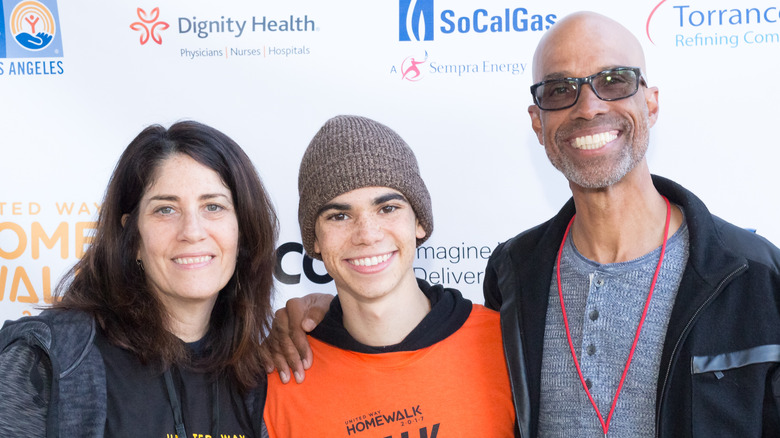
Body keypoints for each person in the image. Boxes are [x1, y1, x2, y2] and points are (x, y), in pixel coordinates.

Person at [263, 11, 780, 438]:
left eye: (613, 81)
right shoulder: (517, 274)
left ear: (651, 101)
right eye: (560, 91)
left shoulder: (752, 277)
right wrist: (329, 313)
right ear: (538, 122)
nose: (589, 106)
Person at [0, 121, 278, 437]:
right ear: (133, 237)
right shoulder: (47, 360)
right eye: (166, 210)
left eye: (213, 206)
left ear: (242, 231)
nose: (192, 232)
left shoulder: (258, 374)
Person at [262, 115, 516, 437]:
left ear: (419, 222)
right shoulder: (279, 375)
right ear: (314, 240)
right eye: (340, 216)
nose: (367, 235)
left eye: (387, 208)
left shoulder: (509, 346)